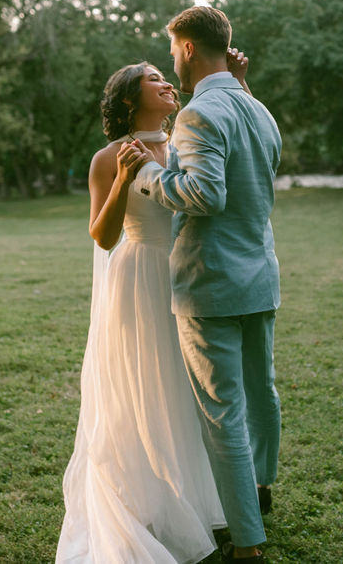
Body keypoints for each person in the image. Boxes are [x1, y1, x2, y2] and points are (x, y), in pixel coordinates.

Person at [56, 61, 231, 563]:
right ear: (130, 99)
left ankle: (194, 502)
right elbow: (102, 235)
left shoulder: (187, 142)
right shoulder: (108, 157)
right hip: (138, 277)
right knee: (144, 390)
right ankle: (145, 504)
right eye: (153, 79)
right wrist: (124, 179)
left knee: (188, 389)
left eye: (164, 75)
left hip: (189, 273)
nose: (166, 83)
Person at [128, 6, 282, 564]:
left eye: (173, 51)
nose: (172, 62)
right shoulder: (258, 108)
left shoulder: (197, 115)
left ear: (188, 48)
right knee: (261, 393)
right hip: (259, 273)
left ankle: (247, 540)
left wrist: (148, 176)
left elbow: (206, 194)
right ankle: (260, 491)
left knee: (224, 410)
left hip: (212, 281)